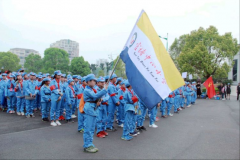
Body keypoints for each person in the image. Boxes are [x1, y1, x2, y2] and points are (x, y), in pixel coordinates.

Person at [83, 74, 108, 153]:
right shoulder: (87, 90)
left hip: (93, 108)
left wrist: (99, 100)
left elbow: (98, 97)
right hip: (90, 108)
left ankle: (90, 143)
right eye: (93, 80)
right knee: (88, 127)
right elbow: (94, 96)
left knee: (92, 128)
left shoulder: (93, 89)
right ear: (88, 82)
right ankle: (87, 145)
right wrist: (104, 90)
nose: (95, 82)